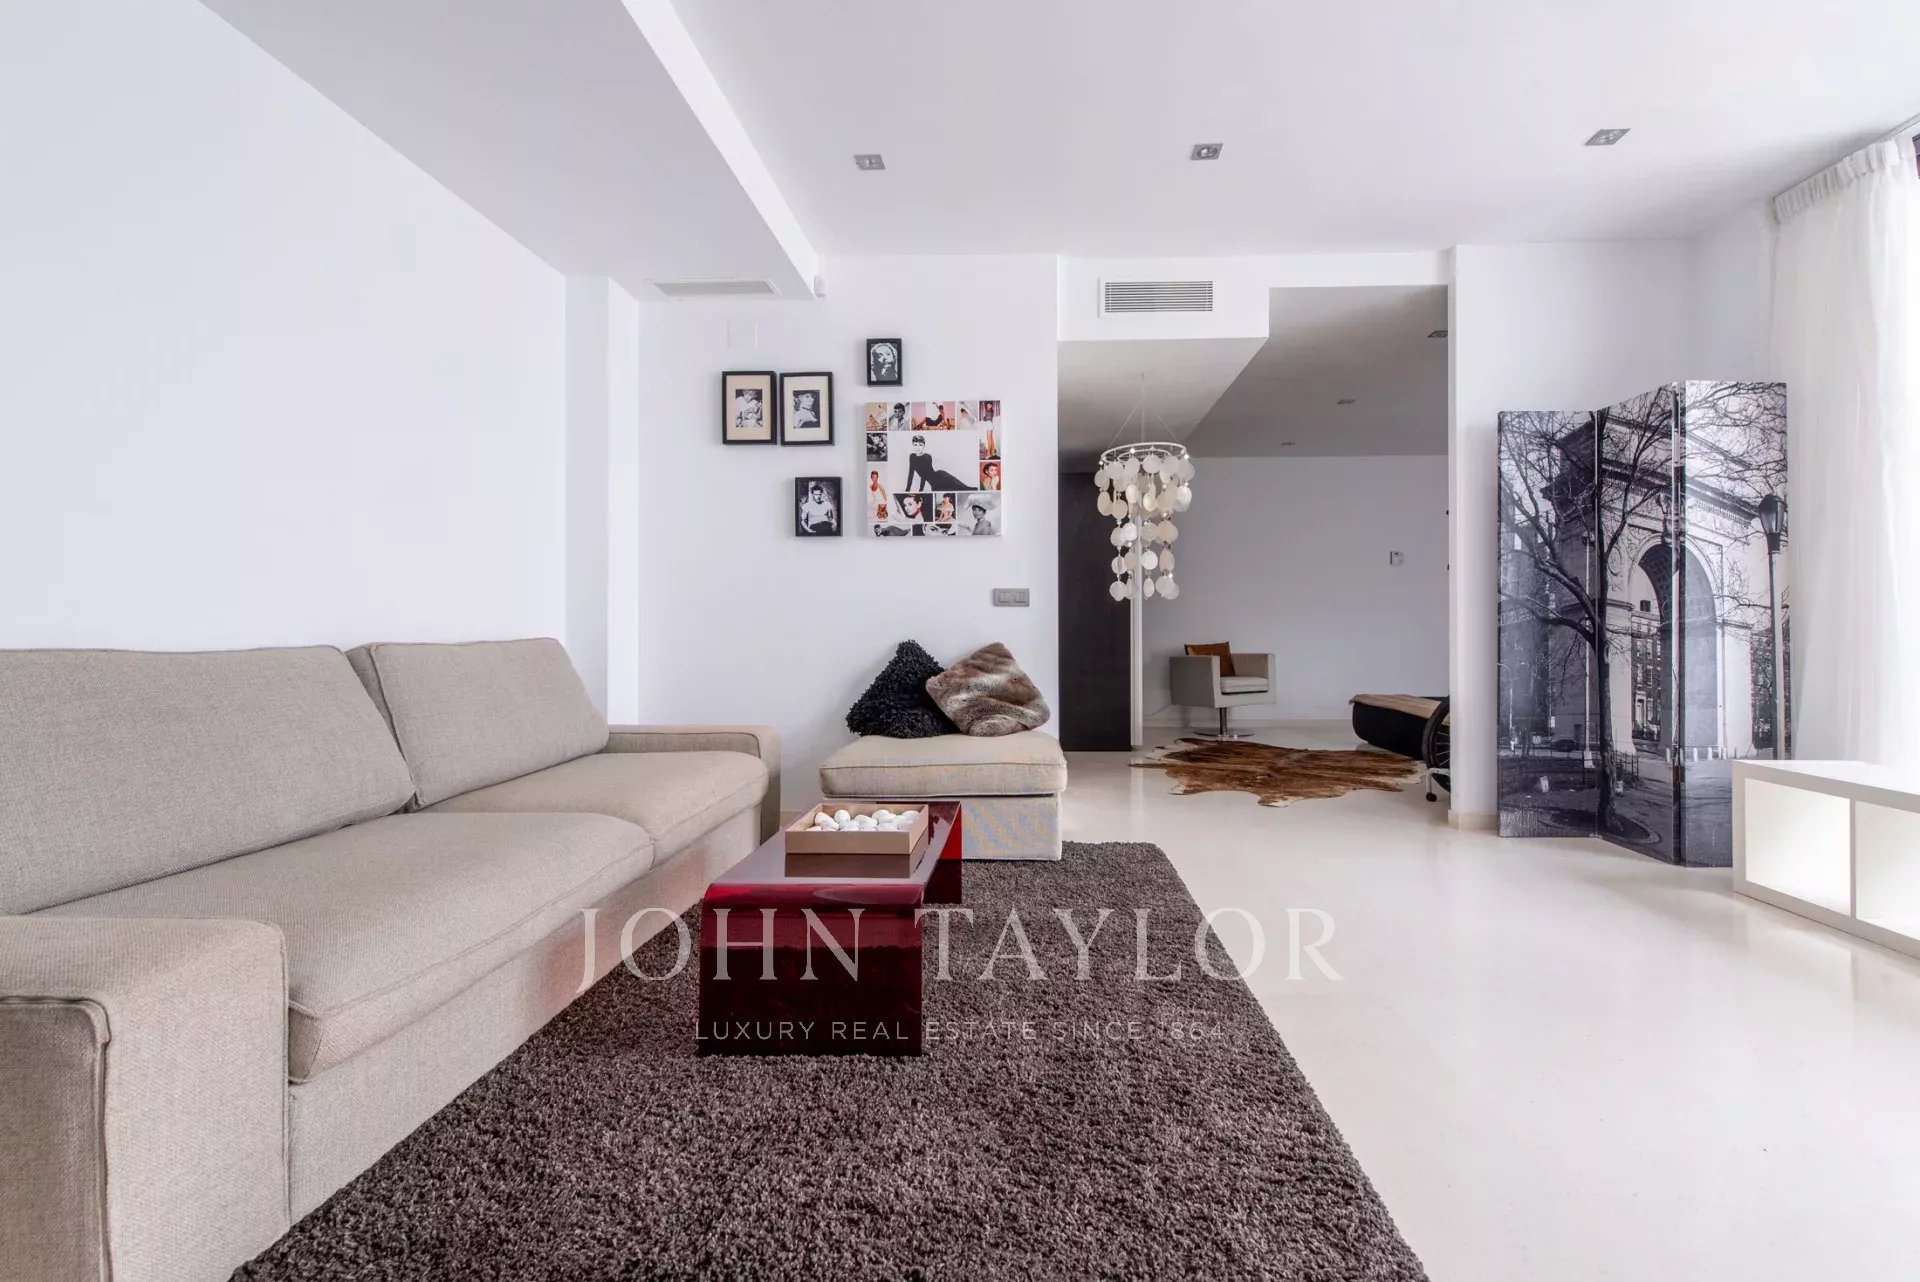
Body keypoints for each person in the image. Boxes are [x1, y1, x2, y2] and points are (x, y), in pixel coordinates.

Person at [904, 434, 972, 492]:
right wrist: (907, 490)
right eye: (915, 445)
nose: (918, 447)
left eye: (920, 445)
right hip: (934, 485)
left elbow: (924, 475)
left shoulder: (927, 457)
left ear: (924, 445)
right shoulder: (912, 456)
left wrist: (921, 490)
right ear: (912, 445)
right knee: (954, 490)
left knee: (965, 488)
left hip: (941, 476)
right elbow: (911, 474)